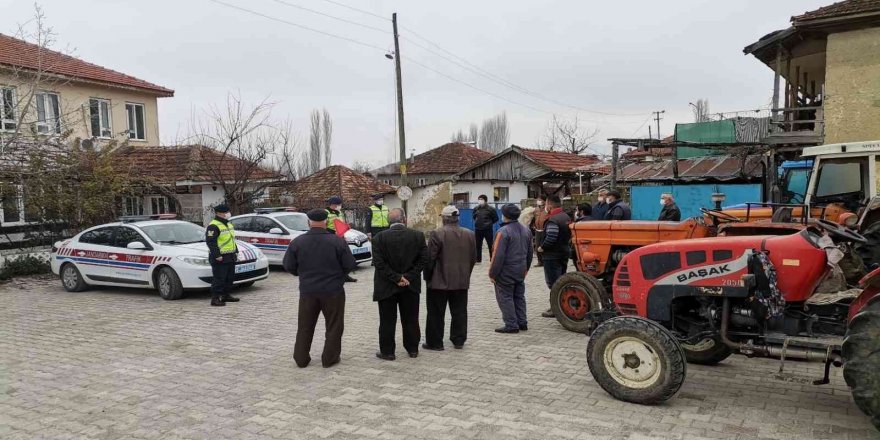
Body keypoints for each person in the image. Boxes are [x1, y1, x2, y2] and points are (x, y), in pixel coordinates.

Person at [282, 209, 357, 368]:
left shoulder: (298, 242)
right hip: (333, 291)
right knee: (334, 325)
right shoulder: (337, 241)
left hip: (308, 291)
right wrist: (338, 276)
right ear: (326, 222)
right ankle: (329, 358)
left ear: (308, 222)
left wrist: (302, 275)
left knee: (305, 325)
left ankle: (301, 358)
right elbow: (349, 264)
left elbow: (289, 265)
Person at [372, 208, 429, 360]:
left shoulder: (379, 238)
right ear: (404, 219)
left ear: (388, 221)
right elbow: (424, 259)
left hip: (386, 286)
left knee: (387, 320)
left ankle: (388, 352)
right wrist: (407, 277)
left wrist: (396, 278)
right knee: (411, 318)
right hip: (410, 285)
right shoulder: (417, 236)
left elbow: (379, 263)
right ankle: (412, 349)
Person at [422, 205, 476, 351]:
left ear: (444, 218)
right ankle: (459, 340)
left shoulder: (437, 233)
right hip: (461, 281)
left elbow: (430, 258)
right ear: (457, 218)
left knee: (435, 313)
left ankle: (435, 342)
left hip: (439, 281)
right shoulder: (470, 234)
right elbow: (473, 258)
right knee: (459, 312)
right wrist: (466, 274)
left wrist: (427, 277)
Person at [490, 204, 533, 333]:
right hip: (520, 269)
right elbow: (530, 252)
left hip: (506, 271)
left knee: (506, 297)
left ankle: (511, 324)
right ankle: (522, 322)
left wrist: (492, 274)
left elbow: (497, 255)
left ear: (505, 216)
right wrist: (526, 269)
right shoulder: (526, 230)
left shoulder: (503, 232)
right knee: (519, 296)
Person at [538, 195, 571, 318]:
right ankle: (563, 305)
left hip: (552, 255)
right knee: (561, 281)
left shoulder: (553, 220)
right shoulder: (566, 217)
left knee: (554, 283)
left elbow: (551, 237)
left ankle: (555, 308)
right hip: (563, 252)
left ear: (549, 205)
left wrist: (542, 247)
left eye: (545, 204)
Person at [205, 204, 240, 307]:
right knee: (219, 279)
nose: (227, 214)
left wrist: (235, 251)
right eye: (225, 212)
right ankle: (215, 299)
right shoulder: (213, 225)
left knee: (229, 278)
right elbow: (211, 242)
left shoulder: (228, 224)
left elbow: (231, 239)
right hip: (220, 257)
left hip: (230, 255)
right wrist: (217, 255)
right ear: (219, 213)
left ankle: (226, 295)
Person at [325, 196, 357, 283]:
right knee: (333, 257)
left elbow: (341, 224)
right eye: (339, 204)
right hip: (331, 236)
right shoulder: (326, 213)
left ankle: (345, 275)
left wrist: (345, 228)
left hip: (341, 236)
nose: (340, 206)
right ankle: (334, 276)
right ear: (333, 204)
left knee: (343, 256)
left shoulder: (339, 212)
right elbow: (324, 226)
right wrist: (331, 232)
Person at [472, 195, 498, 263]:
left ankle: (492, 258)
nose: (480, 201)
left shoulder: (491, 209)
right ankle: (478, 259)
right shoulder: (476, 208)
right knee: (477, 245)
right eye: (479, 199)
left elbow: (496, 218)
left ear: (485, 201)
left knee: (490, 244)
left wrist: (489, 223)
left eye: (481, 199)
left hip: (488, 230)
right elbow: (474, 217)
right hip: (478, 229)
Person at [531, 195, 549, 267]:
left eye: (540, 200)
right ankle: (540, 261)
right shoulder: (536, 209)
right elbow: (533, 218)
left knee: (544, 246)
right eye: (538, 199)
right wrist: (533, 225)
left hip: (545, 230)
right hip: (537, 230)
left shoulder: (547, 209)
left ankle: (546, 261)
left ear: (544, 201)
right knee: (537, 246)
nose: (538, 201)